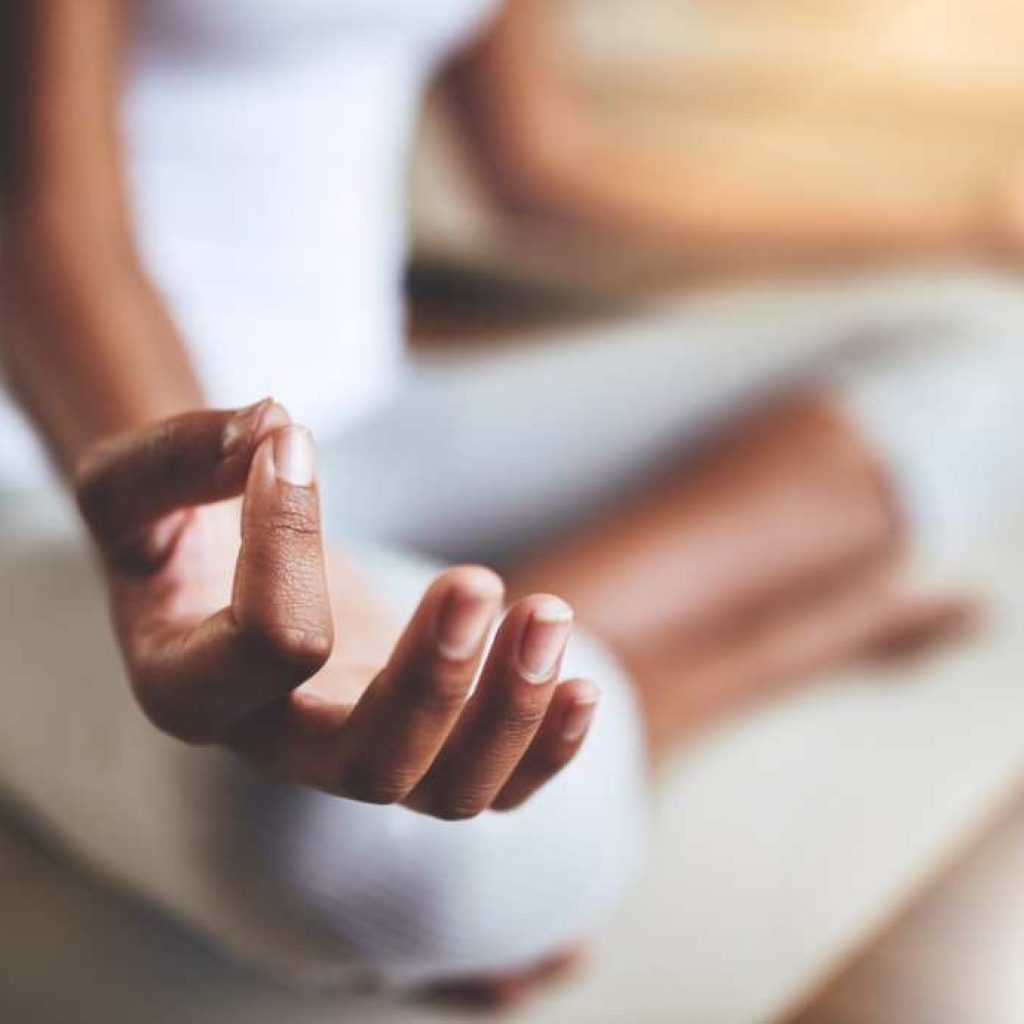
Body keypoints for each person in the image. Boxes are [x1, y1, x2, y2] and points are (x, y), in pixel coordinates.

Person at [2, 0, 1023, 1009]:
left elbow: (542, 165)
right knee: (362, 849)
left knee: (996, 353)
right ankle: (703, 669)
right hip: (75, 462)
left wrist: (964, 224)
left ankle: (531, 681)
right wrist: (216, 545)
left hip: (378, 419)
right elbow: (48, 219)